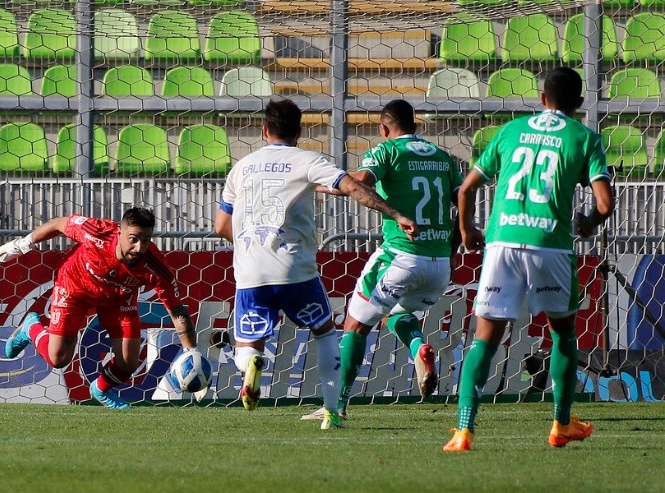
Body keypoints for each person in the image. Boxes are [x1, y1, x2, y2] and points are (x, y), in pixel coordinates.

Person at [214, 98, 419, 430]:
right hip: (294, 268)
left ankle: (250, 361)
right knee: (324, 333)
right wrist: (395, 213)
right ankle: (331, 412)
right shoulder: (307, 160)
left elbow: (221, 226)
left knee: (246, 344)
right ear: (299, 132)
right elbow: (353, 187)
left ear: (264, 130)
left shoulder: (242, 167)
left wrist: (253, 248)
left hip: (251, 271)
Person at [444, 67, 614, 451]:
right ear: (580, 103)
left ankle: (464, 430)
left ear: (541, 98)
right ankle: (561, 423)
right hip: (550, 244)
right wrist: (588, 223)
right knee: (563, 334)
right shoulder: (584, 137)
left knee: (485, 338)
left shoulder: (510, 131)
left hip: (502, 241)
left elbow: (466, 189)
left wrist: (467, 230)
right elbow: (605, 203)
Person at [302, 99, 463, 422]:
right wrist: (451, 250)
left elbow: (359, 182)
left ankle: (336, 406)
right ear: (415, 125)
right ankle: (418, 347)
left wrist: (316, 185)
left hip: (401, 256)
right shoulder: (443, 157)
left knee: (355, 325)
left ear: (384, 129)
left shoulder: (387, 151)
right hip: (438, 264)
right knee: (395, 313)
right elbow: (463, 202)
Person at [0, 207, 198, 410]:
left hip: (118, 299)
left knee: (128, 363)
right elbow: (59, 223)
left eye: (146, 240)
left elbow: (177, 311)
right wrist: (22, 244)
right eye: (133, 239)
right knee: (58, 358)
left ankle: (100, 389)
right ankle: (30, 327)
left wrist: (190, 351)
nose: (139, 248)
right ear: (119, 232)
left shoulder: (156, 266)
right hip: (74, 287)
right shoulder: (97, 232)